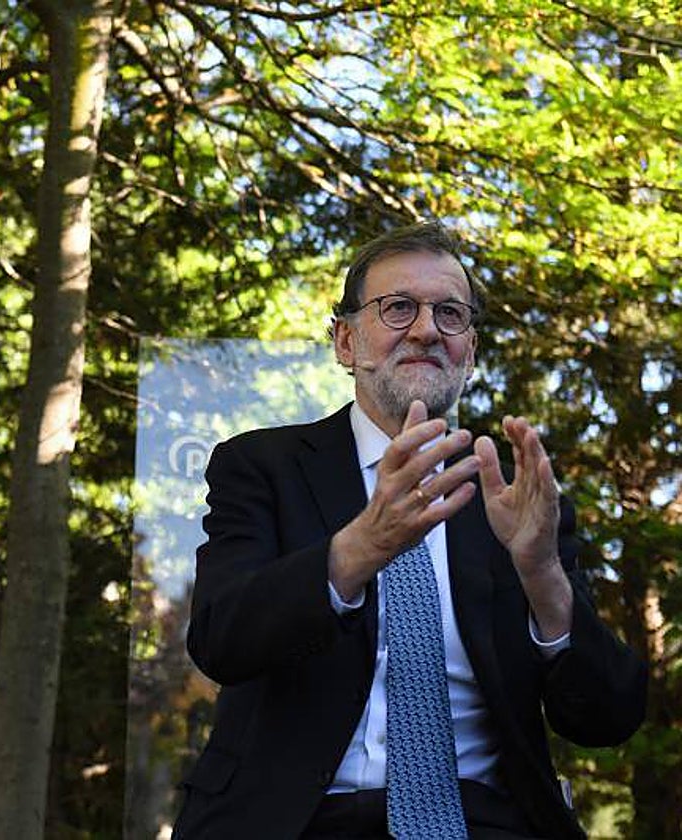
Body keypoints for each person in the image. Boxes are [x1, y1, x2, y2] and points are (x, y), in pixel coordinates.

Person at [173, 223, 646, 839]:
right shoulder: (262, 468)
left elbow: (606, 717)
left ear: (470, 351)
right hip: (298, 820)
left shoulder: (515, 496)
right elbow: (220, 638)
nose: (426, 330)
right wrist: (362, 545)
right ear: (346, 341)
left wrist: (542, 576)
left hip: (484, 821)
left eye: (450, 314)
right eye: (398, 308)